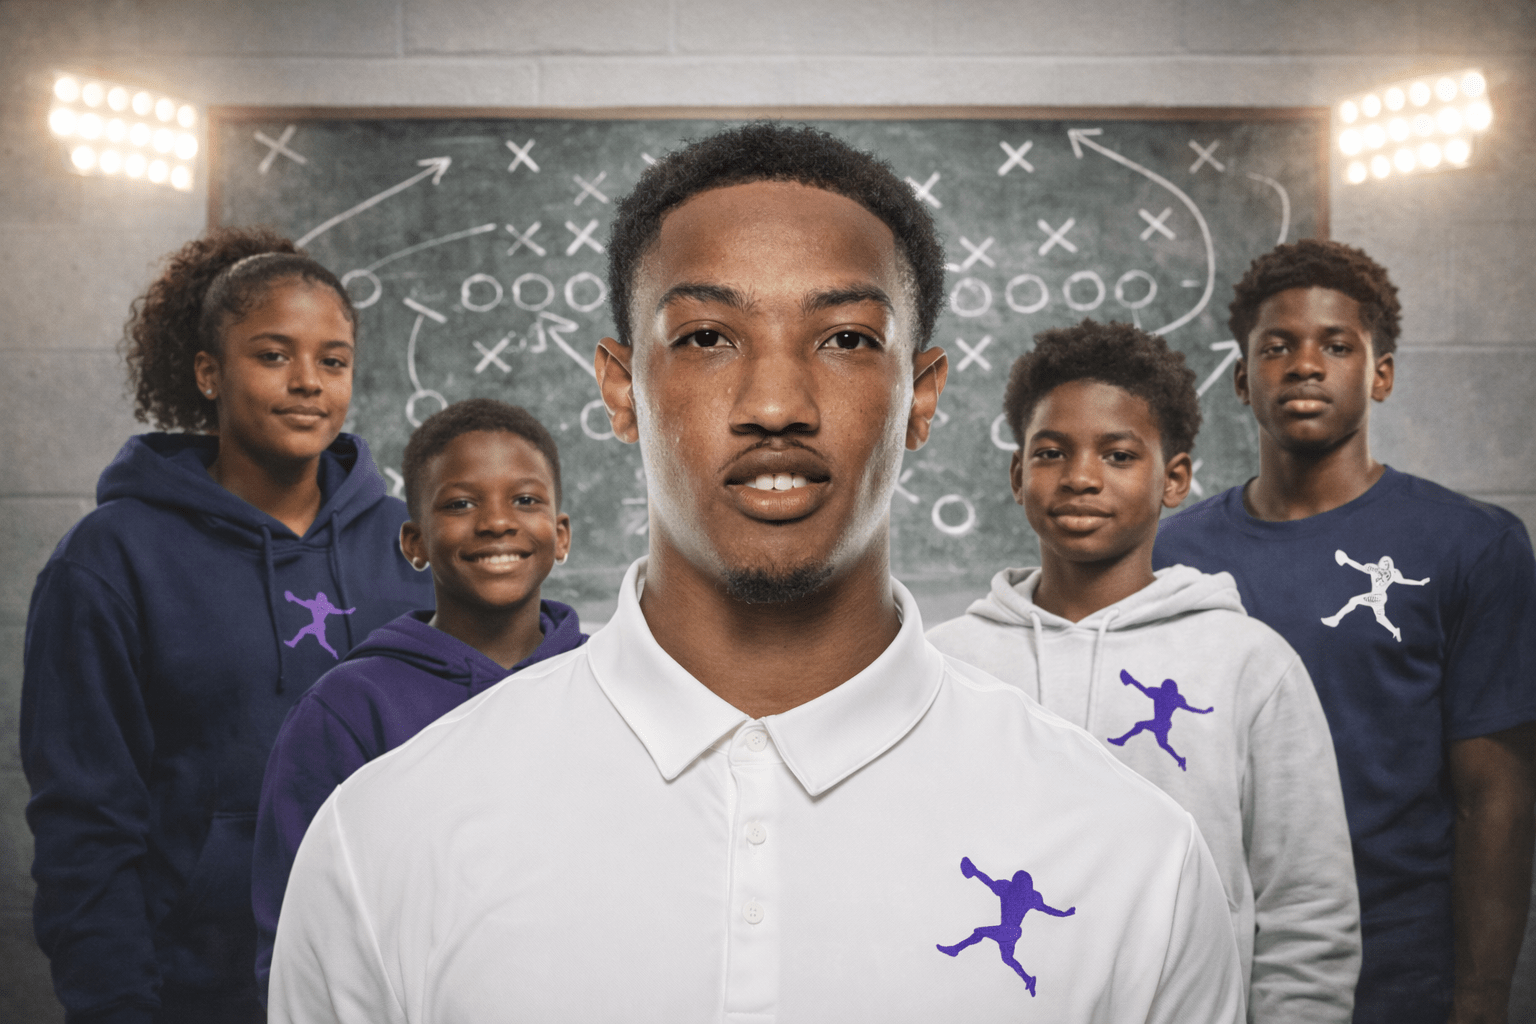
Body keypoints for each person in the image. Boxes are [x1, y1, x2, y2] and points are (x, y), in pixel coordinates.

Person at [267, 123, 1244, 1022]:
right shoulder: (389, 835)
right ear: (620, 389)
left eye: (848, 339)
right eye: (705, 338)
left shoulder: (1129, 856)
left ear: (922, 397)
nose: (776, 401)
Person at [19, 229, 433, 1024]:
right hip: (197, 991)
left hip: (393, 983)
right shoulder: (108, 560)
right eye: (273, 356)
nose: (309, 383)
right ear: (208, 373)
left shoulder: (407, 544)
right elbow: (86, 824)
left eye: (333, 360)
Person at [927, 320, 1360, 1022]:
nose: (1081, 477)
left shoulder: (1250, 664)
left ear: (1175, 478)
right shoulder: (944, 664)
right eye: (1051, 452)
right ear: (1017, 475)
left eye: (1119, 454)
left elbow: (1306, 908)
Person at [1152, 239, 1536, 1024]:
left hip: (1401, 964)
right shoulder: (1172, 553)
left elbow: (1493, 795)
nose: (1304, 364)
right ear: (1240, 380)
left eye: (1336, 345)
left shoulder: (1473, 545)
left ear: (1381, 374)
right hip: (1210, 955)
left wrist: (1483, 994)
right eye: (1277, 347)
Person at [251, 398, 586, 999]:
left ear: (560, 535)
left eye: (526, 500)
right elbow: (298, 933)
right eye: (460, 503)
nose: (497, 522)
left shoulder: (610, 684)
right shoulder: (348, 710)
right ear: (415, 542)